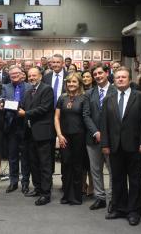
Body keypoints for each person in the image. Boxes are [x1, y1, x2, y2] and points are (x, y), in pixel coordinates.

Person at [100, 66, 141, 226]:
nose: (120, 79)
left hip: (135, 146)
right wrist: (105, 144)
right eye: (118, 77)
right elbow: (104, 124)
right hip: (114, 147)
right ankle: (119, 208)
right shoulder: (108, 98)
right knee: (118, 179)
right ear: (114, 80)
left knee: (135, 180)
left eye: (124, 77)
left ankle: (134, 211)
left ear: (130, 79)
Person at [18, 67, 54, 206]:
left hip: (43, 133)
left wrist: (24, 114)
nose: (31, 78)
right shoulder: (28, 92)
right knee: (34, 163)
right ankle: (38, 188)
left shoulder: (47, 89)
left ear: (40, 76)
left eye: (34, 75)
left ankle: (46, 194)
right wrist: (8, 105)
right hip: (29, 133)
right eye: (29, 76)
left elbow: (44, 108)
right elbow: (22, 107)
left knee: (45, 165)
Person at [83, 62, 114, 212]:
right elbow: (86, 115)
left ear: (107, 73)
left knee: (113, 169)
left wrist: (106, 134)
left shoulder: (116, 91)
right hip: (93, 138)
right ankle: (100, 198)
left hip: (113, 139)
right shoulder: (89, 93)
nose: (98, 76)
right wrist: (96, 132)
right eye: (95, 75)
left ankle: (113, 198)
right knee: (95, 170)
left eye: (100, 73)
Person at [54, 73, 87, 205]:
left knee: (78, 166)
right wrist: (59, 135)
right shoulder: (62, 98)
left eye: (74, 82)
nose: (71, 84)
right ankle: (67, 195)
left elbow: (86, 118)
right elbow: (56, 117)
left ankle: (77, 196)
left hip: (80, 136)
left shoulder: (84, 98)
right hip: (64, 137)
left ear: (79, 83)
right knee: (66, 165)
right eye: (69, 82)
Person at [2, 66, 31, 194]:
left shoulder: (29, 87)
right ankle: (13, 182)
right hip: (11, 125)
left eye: (16, 73)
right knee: (12, 156)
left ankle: (25, 183)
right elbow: (2, 102)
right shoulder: (5, 87)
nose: (14, 75)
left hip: (26, 125)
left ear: (21, 74)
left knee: (25, 157)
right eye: (11, 74)